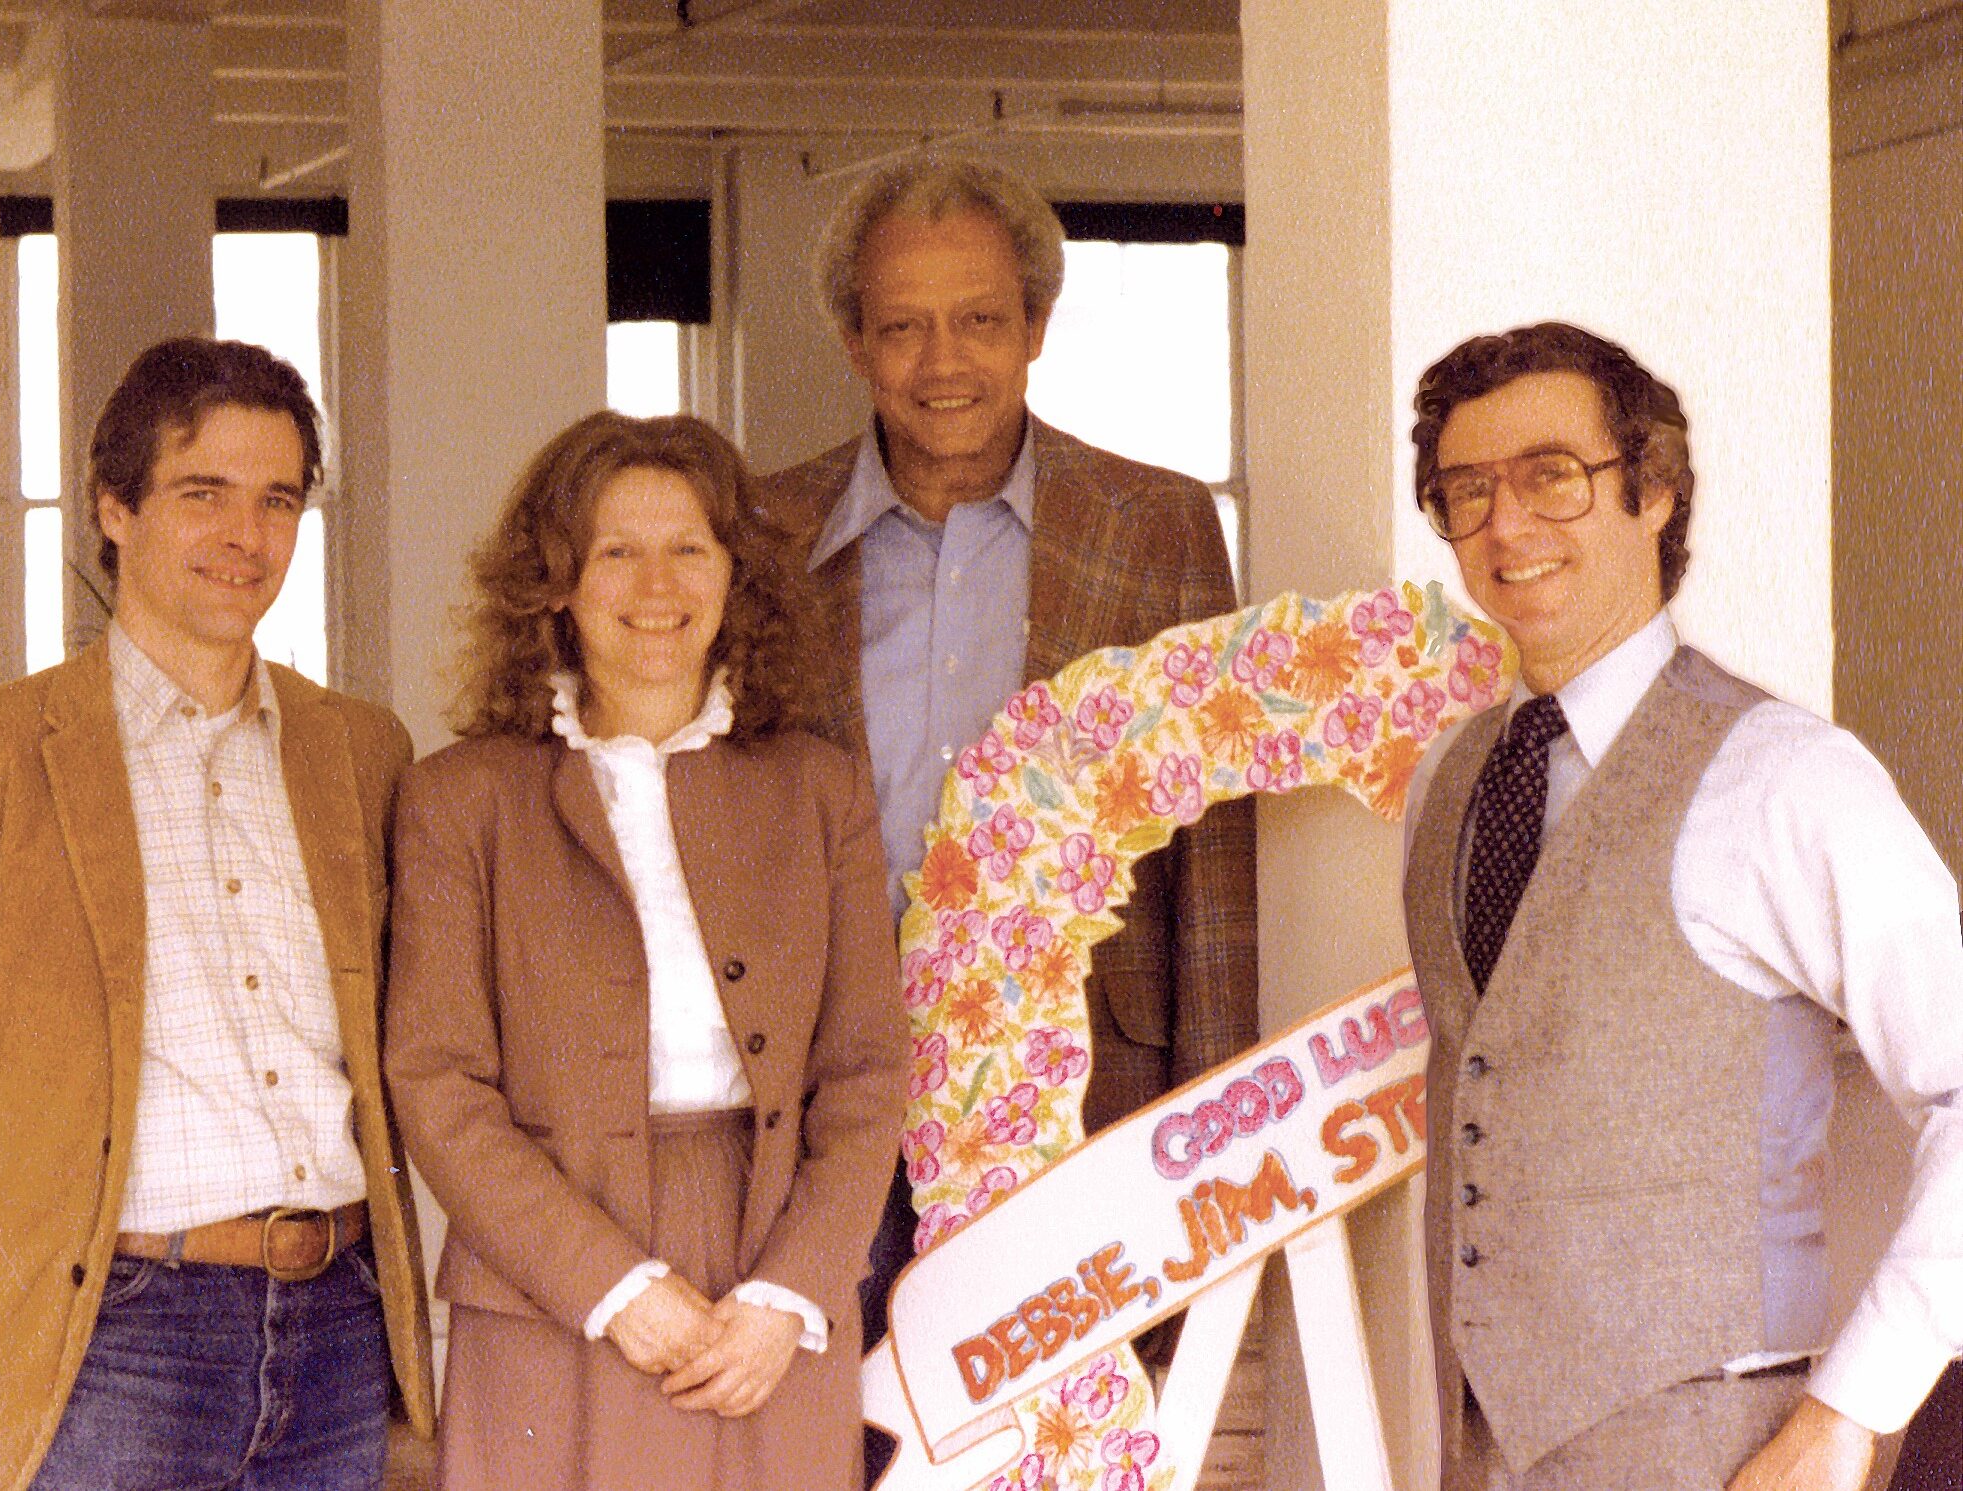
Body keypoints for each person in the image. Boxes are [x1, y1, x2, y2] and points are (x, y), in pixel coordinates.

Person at [1400, 321, 1963, 1490]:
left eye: (1552, 476)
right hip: (1474, 1449)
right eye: (1467, 490)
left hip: (1722, 1454)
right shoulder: (1448, 783)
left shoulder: (1785, 777)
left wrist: (1850, 1409)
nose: (1507, 524)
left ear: (1653, 491)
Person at [754, 158, 1260, 1448]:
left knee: (1057, 1443)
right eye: (903, 324)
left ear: (1036, 326)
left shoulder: (1153, 524)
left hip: (1082, 1086)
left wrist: (1204, 1128)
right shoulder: (763, 532)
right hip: (830, 1091)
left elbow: (1208, 847)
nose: (944, 361)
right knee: (840, 1436)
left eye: (980, 319)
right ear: (854, 339)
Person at [0, 337, 435, 1491]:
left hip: (339, 1322)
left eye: (278, 500)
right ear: (114, 509)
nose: (247, 536)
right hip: (118, 1333)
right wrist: (23, 1268)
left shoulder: (362, 751)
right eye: (204, 494)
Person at [384, 411, 905, 1490]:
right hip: (549, 1274)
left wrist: (788, 1293)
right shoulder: (458, 797)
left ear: (736, 576)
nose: (654, 585)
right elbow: (435, 1082)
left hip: (773, 1258)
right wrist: (615, 1286)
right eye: (615, 551)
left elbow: (866, 1069)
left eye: (689, 549)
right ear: (556, 583)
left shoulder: (820, 788)